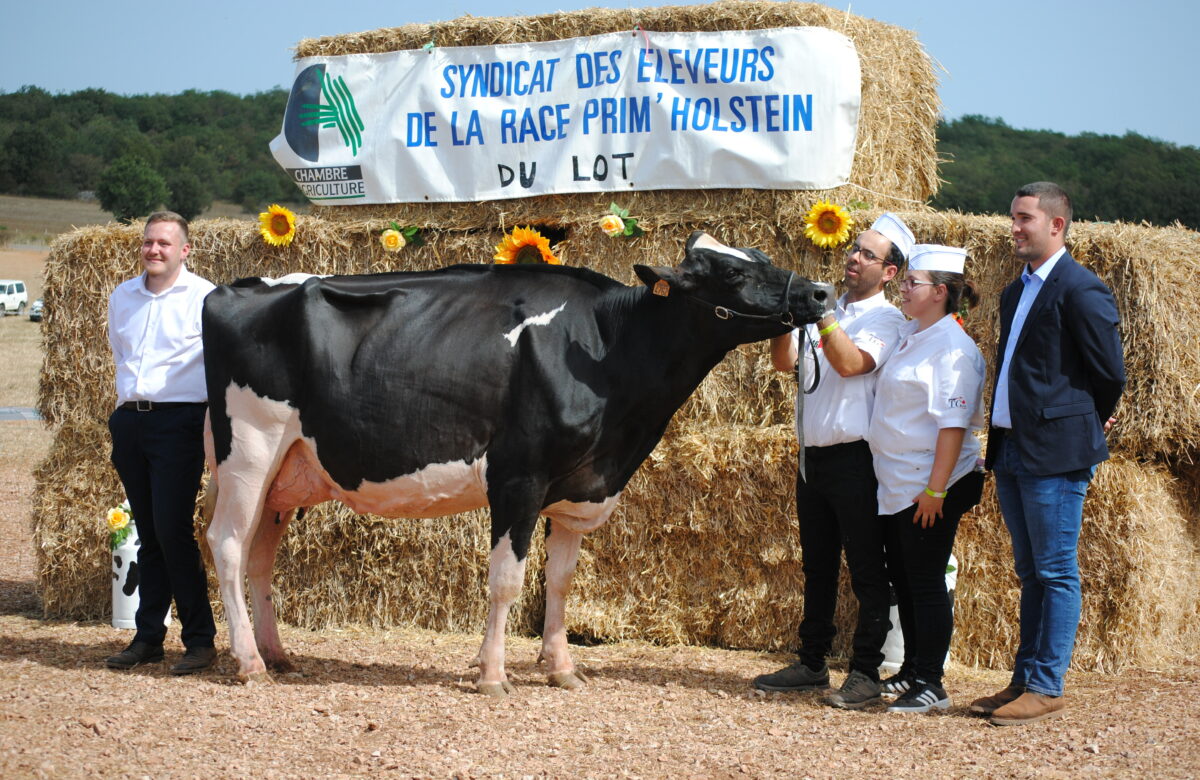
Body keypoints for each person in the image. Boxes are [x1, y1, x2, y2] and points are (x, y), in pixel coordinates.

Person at [972, 183, 1125, 726]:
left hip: (1055, 452)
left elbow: (1110, 374)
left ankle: (1047, 684)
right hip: (1012, 448)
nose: (1014, 227)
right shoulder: (1017, 291)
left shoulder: (1082, 289)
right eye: (1013, 217)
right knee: (1031, 572)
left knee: (1057, 570)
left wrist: (1083, 419)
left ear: (1056, 225)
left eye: (1024, 219)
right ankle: (1023, 682)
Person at [753, 213, 912, 709]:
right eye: (854, 248)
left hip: (855, 458)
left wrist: (820, 314)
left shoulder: (886, 319)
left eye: (868, 253)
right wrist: (786, 318)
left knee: (866, 567)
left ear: (889, 273)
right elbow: (785, 362)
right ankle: (813, 661)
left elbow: (850, 364)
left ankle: (865, 670)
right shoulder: (834, 308)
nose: (854, 257)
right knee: (817, 565)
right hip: (812, 456)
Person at [866, 244, 986, 713]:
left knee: (926, 579)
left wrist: (936, 491)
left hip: (932, 483)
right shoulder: (914, 334)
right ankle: (913, 668)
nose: (903, 289)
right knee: (905, 575)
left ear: (939, 292)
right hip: (899, 480)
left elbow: (953, 429)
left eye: (911, 283)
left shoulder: (954, 349)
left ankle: (932, 682)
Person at [104, 211, 219, 675]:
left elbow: (217, 367)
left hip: (180, 422)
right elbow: (121, 354)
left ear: (184, 250)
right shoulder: (122, 296)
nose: (154, 250)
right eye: (149, 242)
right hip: (131, 422)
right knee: (149, 533)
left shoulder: (205, 297)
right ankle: (149, 637)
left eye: (164, 244)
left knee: (172, 531)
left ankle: (200, 640)